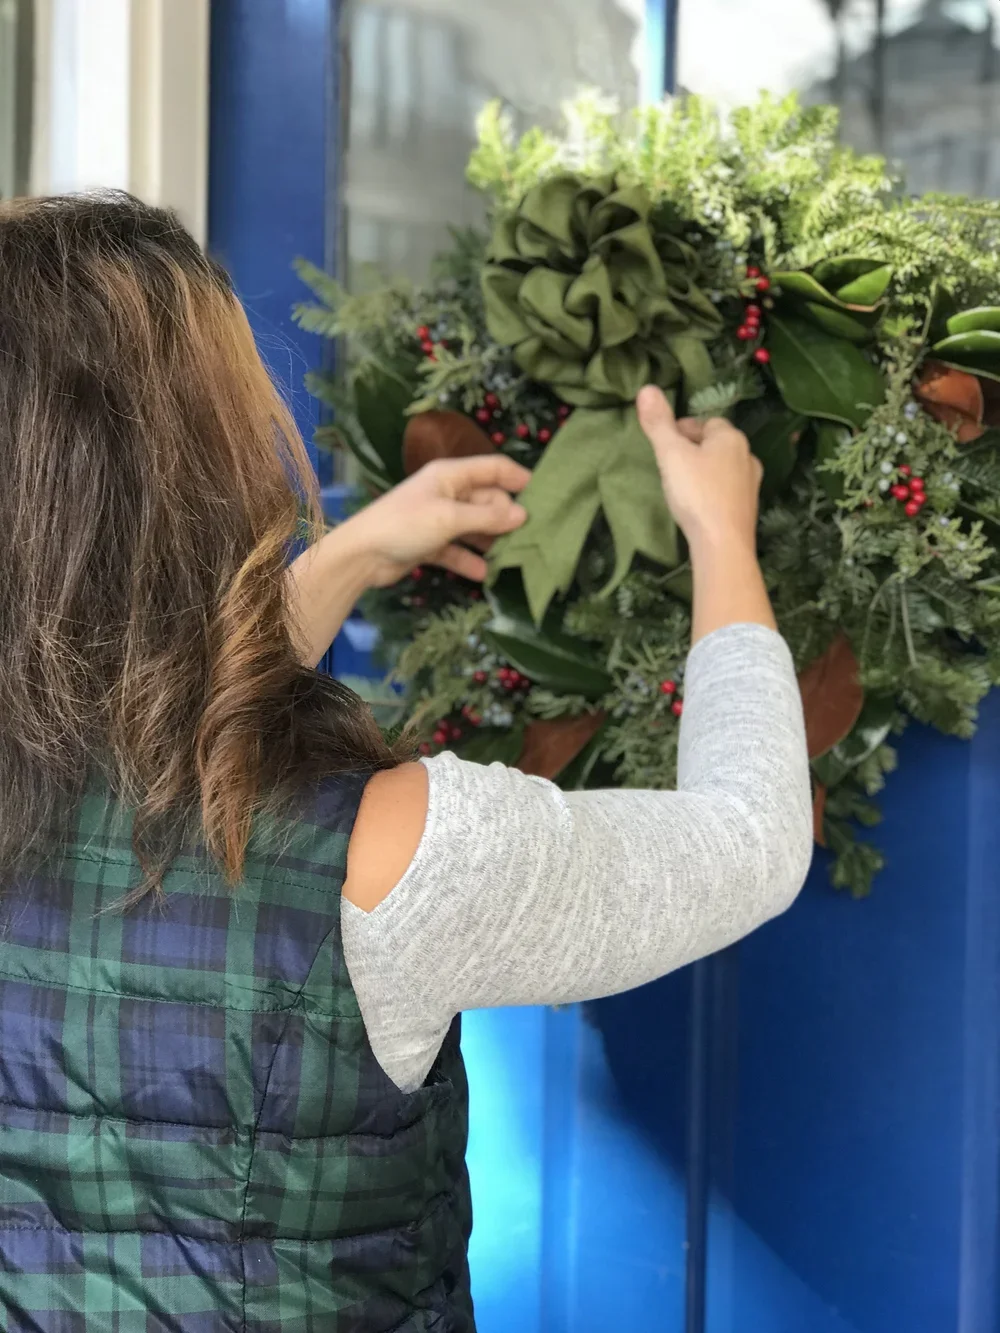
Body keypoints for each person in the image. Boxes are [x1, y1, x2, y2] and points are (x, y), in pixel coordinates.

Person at [0, 192, 812, 1332]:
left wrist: (357, 550)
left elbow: (132, 710)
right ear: (204, 463)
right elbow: (748, 840)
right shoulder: (393, 857)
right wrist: (723, 533)